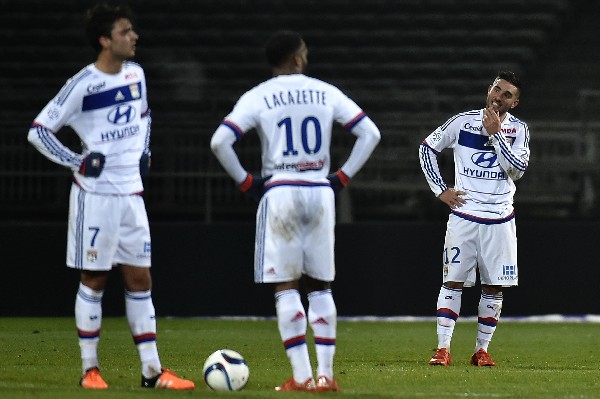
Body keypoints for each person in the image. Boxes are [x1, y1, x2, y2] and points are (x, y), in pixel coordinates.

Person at [27, 3, 194, 390]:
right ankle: (90, 370)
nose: (133, 36)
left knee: (140, 278)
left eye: (132, 30)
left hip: (131, 195)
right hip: (96, 196)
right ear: (105, 40)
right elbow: (39, 131)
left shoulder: (136, 73)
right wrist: (77, 161)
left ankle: (152, 372)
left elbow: (145, 116)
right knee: (95, 278)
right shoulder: (83, 84)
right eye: (124, 31)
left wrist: (146, 151)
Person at [210, 30, 380, 392]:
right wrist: (342, 177)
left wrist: (247, 182)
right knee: (320, 286)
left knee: (285, 285)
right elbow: (370, 134)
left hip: (281, 189)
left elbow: (220, 141)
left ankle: (301, 377)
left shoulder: (259, 95)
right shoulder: (325, 91)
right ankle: (327, 376)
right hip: (319, 189)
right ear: (298, 58)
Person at [418, 71, 530, 367]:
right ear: (488, 89)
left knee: (494, 287)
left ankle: (481, 350)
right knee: (452, 281)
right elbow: (427, 147)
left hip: (500, 219)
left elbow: (517, 169)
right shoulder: (461, 121)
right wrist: (441, 190)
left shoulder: (519, 130)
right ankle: (443, 349)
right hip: (464, 216)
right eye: (497, 89)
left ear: (514, 103)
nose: (499, 96)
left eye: (507, 94)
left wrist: (496, 136)